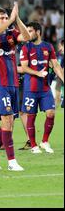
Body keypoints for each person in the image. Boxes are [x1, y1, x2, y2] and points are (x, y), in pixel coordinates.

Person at [0, 2, 31, 171]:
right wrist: (10, 20)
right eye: (1, 18)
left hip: (13, 85)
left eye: (5, 17)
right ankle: (12, 162)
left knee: (8, 123)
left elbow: (26, 37)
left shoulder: (11, 34)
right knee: (7, 119)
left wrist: (17, 20)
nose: (4, 20)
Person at [20, 22, 63, 154]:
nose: (27, 33)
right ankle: (33, 145)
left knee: (51, 113)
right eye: (26, 31)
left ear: (38, 32)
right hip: (30, 89)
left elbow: (55, 65)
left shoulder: (48, 47)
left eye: (30, 31)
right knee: (31, 116)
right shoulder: (26, 47)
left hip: (45, 88)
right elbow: (24, 67)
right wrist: (38, 73)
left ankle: (44, 141)